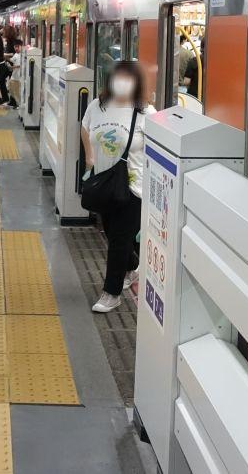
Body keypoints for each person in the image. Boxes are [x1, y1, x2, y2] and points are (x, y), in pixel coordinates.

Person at [81, 61, 154, 313]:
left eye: (128, 78)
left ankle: (111, 293)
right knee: (114, 235)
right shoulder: (98, 105)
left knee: (119, 240)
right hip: (105, 183)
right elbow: (84, 127)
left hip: (133, 188)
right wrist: (89, 157)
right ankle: (131, 268)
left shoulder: (146, 112)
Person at [6, 37, 23, 109]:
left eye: (17, 46)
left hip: (18, 77)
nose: (16, 48)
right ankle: (16, 103)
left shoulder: (23, 55)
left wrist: (12, 67)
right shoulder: (16, 54)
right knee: (10, 88)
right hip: (14, 75)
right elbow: (12, 60)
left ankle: (19, 105)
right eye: (15, 47)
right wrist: (6, 58)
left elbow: (20, 65)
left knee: (17, 91)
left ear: (21, 46)